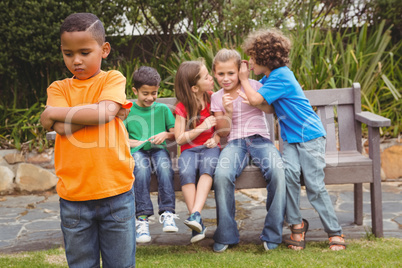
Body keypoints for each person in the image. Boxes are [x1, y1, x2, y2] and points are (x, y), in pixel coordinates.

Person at [40, 13, 136, 267]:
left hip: (116, 191)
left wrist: (51, 112)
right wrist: (99, 113)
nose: (76, 60)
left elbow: (103, 113)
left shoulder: (112, 78)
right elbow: (61, 128)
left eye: (84, 52)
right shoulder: (58, 88)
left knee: (121, 264)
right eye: (68, 53)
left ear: (104, 49)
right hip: (74, 197)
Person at [240, 28, 346, 251]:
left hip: (310, 136)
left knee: (314, 185)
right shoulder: (270, 77)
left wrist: (244, 81)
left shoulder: (282, 76)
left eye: (252, 57)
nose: (249, 62)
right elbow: (269, 107)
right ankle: (297, 227)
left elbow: (257, 98)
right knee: (288, 179)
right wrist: (251, 97)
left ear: (264, 58)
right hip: (289, 139)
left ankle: (335, 232)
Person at [211, 48, 286, 253]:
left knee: (278, 172)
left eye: (231, 73)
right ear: (214, 73)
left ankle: (272, 233)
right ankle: (227, 234)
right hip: (235, 143)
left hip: (260, 140)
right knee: (222, 175)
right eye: (221, 74)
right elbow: (223, 132)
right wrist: (228, 111)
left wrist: (246, 84)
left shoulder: (254, 86)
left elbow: (271, 110)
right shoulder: (217, 97)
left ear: (240, 70)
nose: (226, 79)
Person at [124, 66, 178, 243]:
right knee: (140, 170)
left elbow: (175, 132)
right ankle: (142, 219)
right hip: (138, 151)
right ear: (135, 90)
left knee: (164, 167)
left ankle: (168, 212)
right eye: (145, 93)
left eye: (154, 93)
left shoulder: (162, 109)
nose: (150, 98)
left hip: (158, 150)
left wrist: (166, 134)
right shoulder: (128, 111)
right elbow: (121, 139)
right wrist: (136, 143)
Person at [174, 60, 221, 243]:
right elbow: (179, 138)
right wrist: (202, 127)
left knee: (208, 168)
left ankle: (195, 216)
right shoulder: (182, 107)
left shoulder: (213, 98)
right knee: (186, 171)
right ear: (194, 88)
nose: (211, 78)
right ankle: (196, 220)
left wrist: (215, 138)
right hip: (189, 150)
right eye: (206, 76)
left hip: (210, 148)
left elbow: (221, 129)